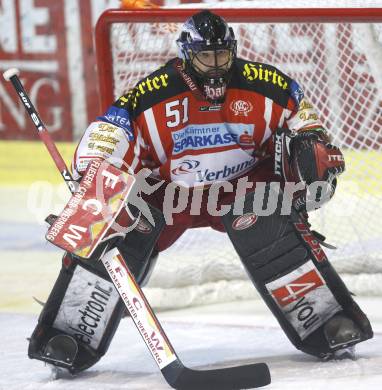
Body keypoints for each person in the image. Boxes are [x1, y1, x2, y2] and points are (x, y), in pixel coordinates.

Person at [28, 10, 372, 374]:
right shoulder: (152, 93)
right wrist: (94, 169)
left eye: (222, 55)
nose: (216, 65)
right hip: (169, 194)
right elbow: (112, 130)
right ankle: (69, 332)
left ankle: (325, 319)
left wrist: (312, 144)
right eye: (206, 57)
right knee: (114, 223)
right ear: (187, 55)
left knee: (265, 222)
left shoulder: (265, 84)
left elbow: (301, 116)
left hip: (241, 186)